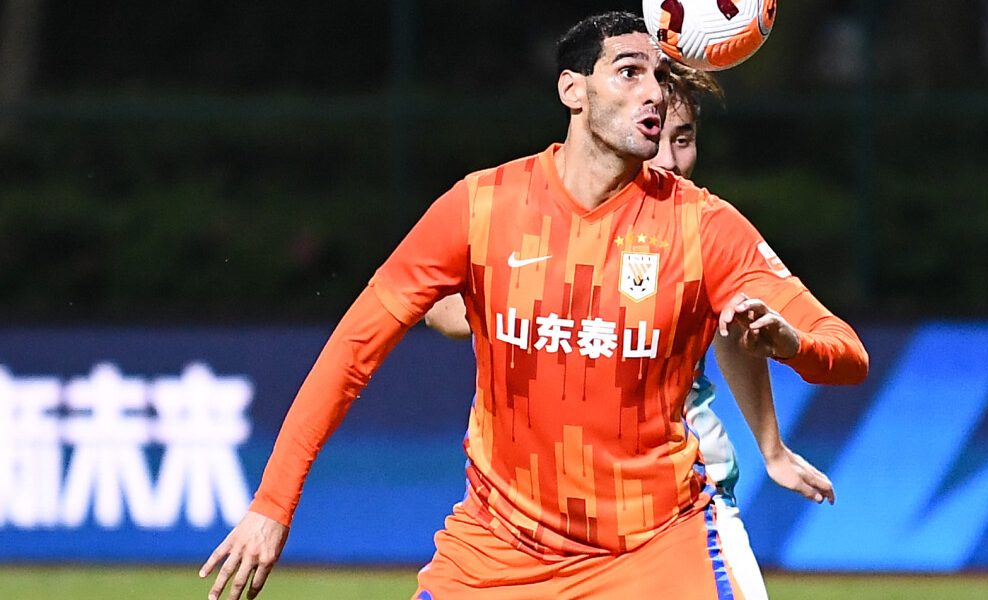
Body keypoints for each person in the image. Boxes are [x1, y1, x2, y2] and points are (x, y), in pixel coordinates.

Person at [200, 11, 868, 600]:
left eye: (658, 78)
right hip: (497, 554)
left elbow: (848, 356)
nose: (653, 93)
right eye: (629, 72)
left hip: (654, 549)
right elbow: (352, 351)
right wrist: (272, 503)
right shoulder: (480, 208)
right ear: (572, 91)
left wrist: (793, 345)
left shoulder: (704, 226)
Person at [422, 61, 836, 600]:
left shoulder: (697, 227)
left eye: (684, 139)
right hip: (550, 513)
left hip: (682, 494)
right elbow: (443, 307)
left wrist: (771, 447)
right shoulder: (554, 218)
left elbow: (736, 329)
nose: (668, 157)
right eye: (658, 136)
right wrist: (528, 309)